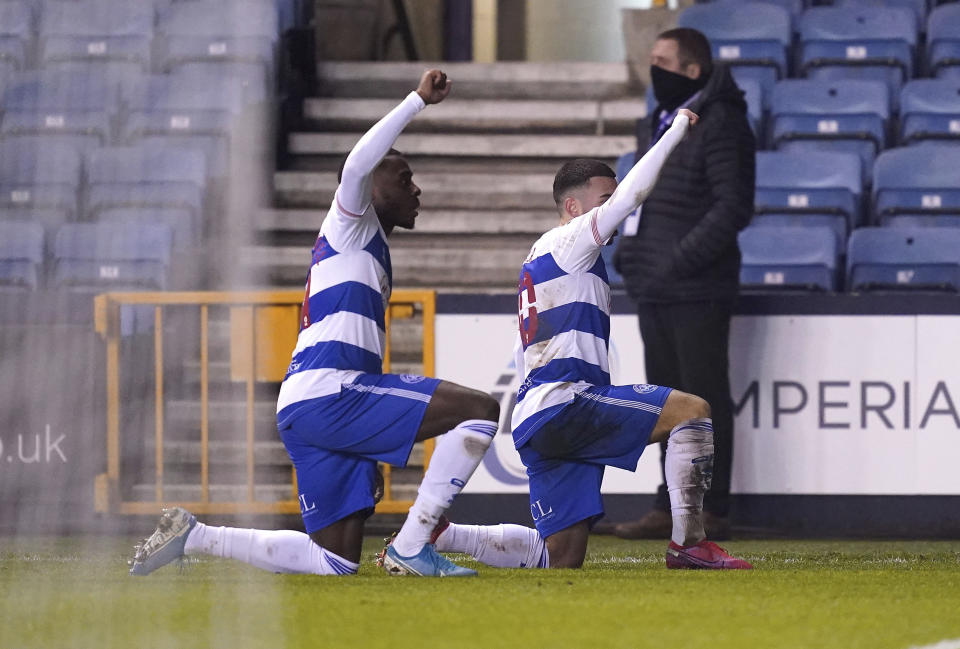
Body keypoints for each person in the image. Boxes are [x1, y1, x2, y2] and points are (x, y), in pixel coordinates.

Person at [128, 69, 500, 579]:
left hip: (307, 401)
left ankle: (196, 536)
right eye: (404, 178)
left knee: (335, 561)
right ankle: (413, 543)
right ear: (370, 187)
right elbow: (356, 163)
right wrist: (416, 101)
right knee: (478, 410)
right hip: (333, 392)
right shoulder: (348, 223)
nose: (417, 190)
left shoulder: (368, 245)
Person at [385, 110, 751, 570]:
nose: (614, 206)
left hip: (538, 419)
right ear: (575, 208)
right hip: (568, 402)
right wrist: (675, 130)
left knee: (562, 556)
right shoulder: (573, 240)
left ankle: (445, 533)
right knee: (692, 411)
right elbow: (636, 194)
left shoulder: (541, 255)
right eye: (604, 199)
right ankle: (689, 544)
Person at [608, 28, 756, 541]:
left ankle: (710, 508)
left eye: (662, 61)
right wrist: (633, 253)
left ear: (692, 70)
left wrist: (678, 259)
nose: (654, 69)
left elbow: (732, 206)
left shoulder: (722, 123)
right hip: (656, 286)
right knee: (667, 402)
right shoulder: (664, 117)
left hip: (697, 288)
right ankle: (670, 505)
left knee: (704, 397)